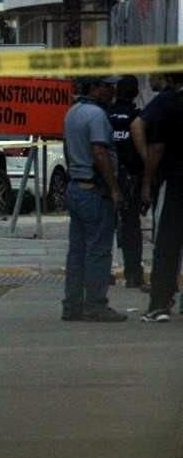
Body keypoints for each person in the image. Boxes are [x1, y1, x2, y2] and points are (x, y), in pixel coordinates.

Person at [60, 77, 126, 322]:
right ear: (95, 88)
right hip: (94, 190)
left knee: (77, 251)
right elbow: (99, 151)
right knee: (98, 251)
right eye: (108, 86)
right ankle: (96, 305)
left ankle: (72, 305)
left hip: (76, 187)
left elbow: (68, 148)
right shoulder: (97, 115)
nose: (112, 91)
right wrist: (114, 188)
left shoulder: (72, 112)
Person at [136, 73, 183, 322]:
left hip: (174, 182)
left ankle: (160, 303)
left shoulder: (166, 103)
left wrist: (147, 180)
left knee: (166, 245)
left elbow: (156, 146)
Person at [108, 75, 147, 290]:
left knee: (106, 226)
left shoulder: (106, 115)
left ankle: (104, 272)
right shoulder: (137, 117)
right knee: (132, 226)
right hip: (131, 178)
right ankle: (133, 274)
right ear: (135, 93)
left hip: (108, 177)